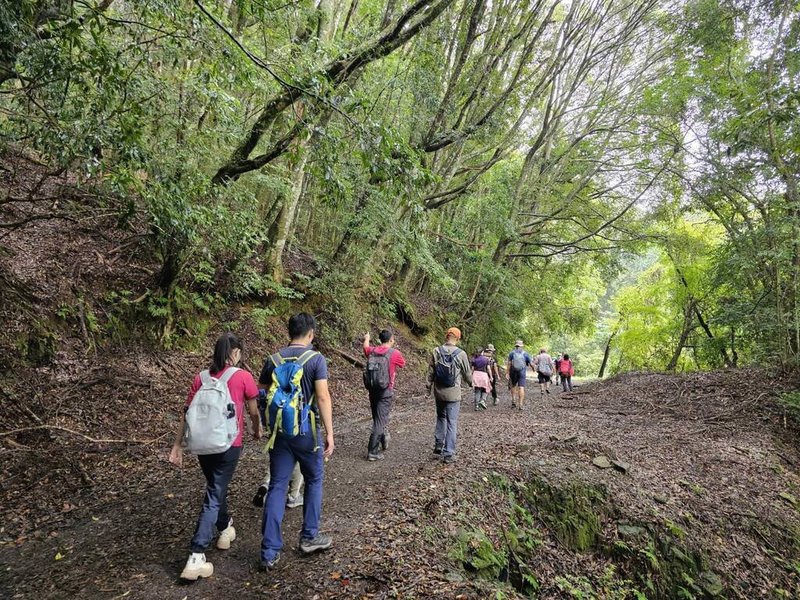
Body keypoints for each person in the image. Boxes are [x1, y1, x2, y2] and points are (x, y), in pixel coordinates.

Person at [169, 333, 262, 581]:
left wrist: (177, 445)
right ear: (235, 353)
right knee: (214, 492)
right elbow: (253, 410)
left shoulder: (200, 378)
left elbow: (186, 413)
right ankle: (197, 554)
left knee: (215, 487)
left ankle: (224, 528)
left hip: (202, 445)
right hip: (229, 444)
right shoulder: (242, 376)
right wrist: (257, 428)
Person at [258, 313, 335, 570]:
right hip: (307, 432)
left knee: (278, 484)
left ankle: (269, 551)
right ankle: (309, 537)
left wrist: (265, 423)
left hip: (280, 432)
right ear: (311, 333)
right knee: (314, 479)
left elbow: (261, 393)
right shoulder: (316, 359)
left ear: (289, 332)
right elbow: (322, 398)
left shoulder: (273, 359)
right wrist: (330, 434)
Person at [427, 327, 472, 464]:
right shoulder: (461, 354)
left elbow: (430, 372)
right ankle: (449, 453)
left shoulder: (436, 351)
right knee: (452, 422)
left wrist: (428, 388)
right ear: (457, 339)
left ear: (446, 336)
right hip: (454, 393)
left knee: (441, 417)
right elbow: (467, 373)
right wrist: (471, 383)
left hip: (439, 392)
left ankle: (438, 446)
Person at [363, 328, 406, 461]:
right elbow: (402, 364)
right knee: (380, 420)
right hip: (385, 391)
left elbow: (365, 347)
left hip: (372, 389)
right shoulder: (394, 353)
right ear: (391, 339)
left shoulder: (372, 351)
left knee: (377, 417)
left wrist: (367, 338)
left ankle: (383, 439)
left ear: (380, 340)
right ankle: (372, 451)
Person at [506, 340, 533, 410]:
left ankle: (513, 401)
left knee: (513, 385)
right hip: (522, 372)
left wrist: (507, 372)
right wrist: (534, 369)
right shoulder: (525, 354)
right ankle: (520, 405)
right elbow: (531, 363)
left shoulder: (512, 353)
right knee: (521, 387)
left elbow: (509, 363)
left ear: (516, 345)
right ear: (522, 346)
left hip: (513, 371)